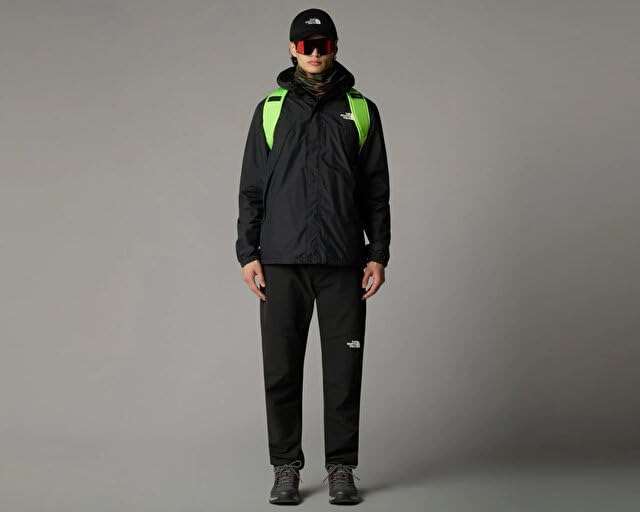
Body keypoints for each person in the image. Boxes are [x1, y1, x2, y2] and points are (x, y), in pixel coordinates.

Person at [235, 8, 391, 506]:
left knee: (344, 371)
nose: (315, 53)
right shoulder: (270, 110)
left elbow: (376, 191)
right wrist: (247, 252)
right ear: (292, 49)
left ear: (336, 47)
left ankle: (342, 467)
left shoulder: (361, 111)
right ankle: (285, 467)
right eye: (306, 46)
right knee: (281, 370)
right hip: (281, 262)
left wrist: (377, 253)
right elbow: (251, 189)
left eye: (323, 45)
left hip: (343, 261)